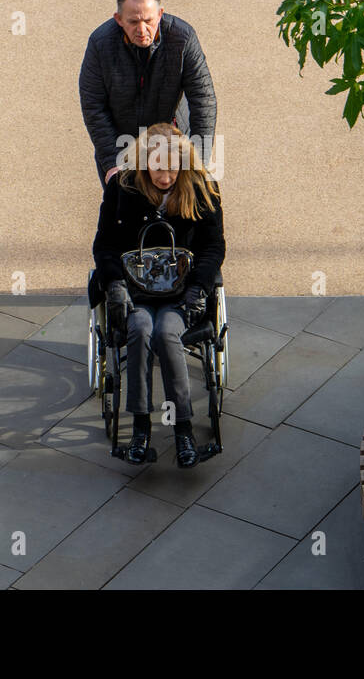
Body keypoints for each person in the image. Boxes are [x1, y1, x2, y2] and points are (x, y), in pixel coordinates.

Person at [92, 122, 225, 468]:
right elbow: (104, 246)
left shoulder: (202, 189)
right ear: (143, 161)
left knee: (167, 333)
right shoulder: (123, 188)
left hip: (181, 292)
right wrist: (115, 286)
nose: (165, 176)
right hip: (134, 289)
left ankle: (183, 432)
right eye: (157, 167)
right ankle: (140, 430)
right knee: (139, 330)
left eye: (172, 167)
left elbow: (213, 248)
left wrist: (198, 288)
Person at [79, 0, 217, 189]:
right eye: (133, 22)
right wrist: (112, 164)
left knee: (178, 208)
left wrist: (199, 161)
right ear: (118, 19)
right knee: (125, 214)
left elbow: (203, 100)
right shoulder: (100, 44)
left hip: (170, 139)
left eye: (149, 20)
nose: (142, 30)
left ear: (160, 14)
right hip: (121, 143)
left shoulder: (183, 38)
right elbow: (93, 106)